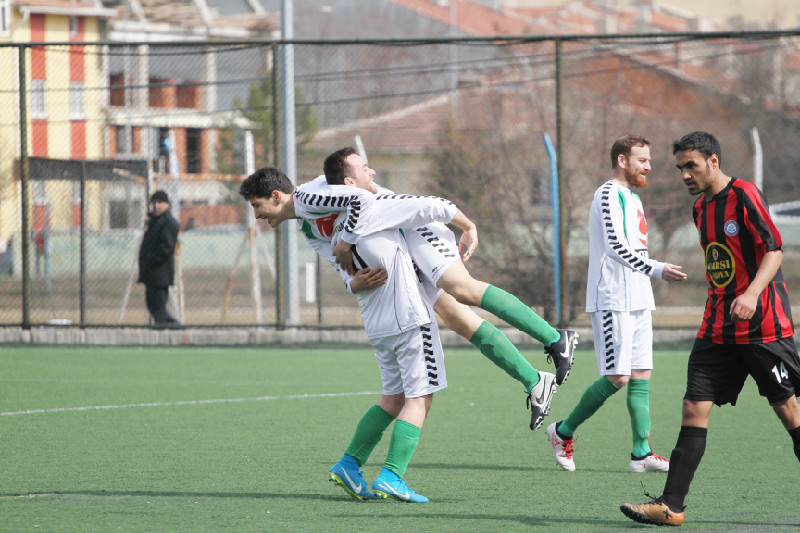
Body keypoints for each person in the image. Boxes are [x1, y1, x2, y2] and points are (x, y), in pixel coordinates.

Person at [322, 147, 577, 430]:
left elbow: (433, 205)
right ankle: (536, 381)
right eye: (365, 168)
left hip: (423, 234)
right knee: (457, 319)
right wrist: (352, 283)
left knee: (462, 288)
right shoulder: (323, 210)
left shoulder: (368, 201)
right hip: (408, 255)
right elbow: (335, 254)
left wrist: (469, 227)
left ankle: (556, 338)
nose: (373, 172)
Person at [240, 166, 451, 503]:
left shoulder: (312, 198)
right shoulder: (310, 221)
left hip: (379, 316)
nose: (257, 215)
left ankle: (349, 465)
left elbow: (360, 202)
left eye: (257, 206)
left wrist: (347, 251)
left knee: (394, 398)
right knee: (420, 397)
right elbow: (348, 247)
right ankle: (392, 476)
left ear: (276, 197)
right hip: (404, 310)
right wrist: (351, 273)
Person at [620, 131, 800, 526]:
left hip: (763, 327)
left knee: (788, 410)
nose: (685, 174)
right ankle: (671, 505)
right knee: (693, 407)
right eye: (680, 168)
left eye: (692, 166)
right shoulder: (701, 208)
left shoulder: (745, 195)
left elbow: (774, 250)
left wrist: (751, 293)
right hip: (717, 327)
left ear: (713, 161)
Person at [545, 135, 687, 473]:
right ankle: (562, 431)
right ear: (623, 160)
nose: (648, 166)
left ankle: (641, 453)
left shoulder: (634, 198)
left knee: (641, 374)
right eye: (642, 160)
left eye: (649, 160)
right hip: (612, 299)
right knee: (617, 377)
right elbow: (614, 247)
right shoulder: (607, 193)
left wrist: (649, 276)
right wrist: (657, 269)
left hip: (639, 299)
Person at [138, 189, 180, 326]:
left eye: (160, 202)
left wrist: (151, 259)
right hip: (151, 273)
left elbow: (166, 248)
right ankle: (173, 326)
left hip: (160, 273)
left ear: (167, 204)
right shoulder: (154, 222)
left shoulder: (168, 222)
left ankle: (165, 330)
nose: (156, 205)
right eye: (154, 203)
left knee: (158, 307)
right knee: (153, 306)